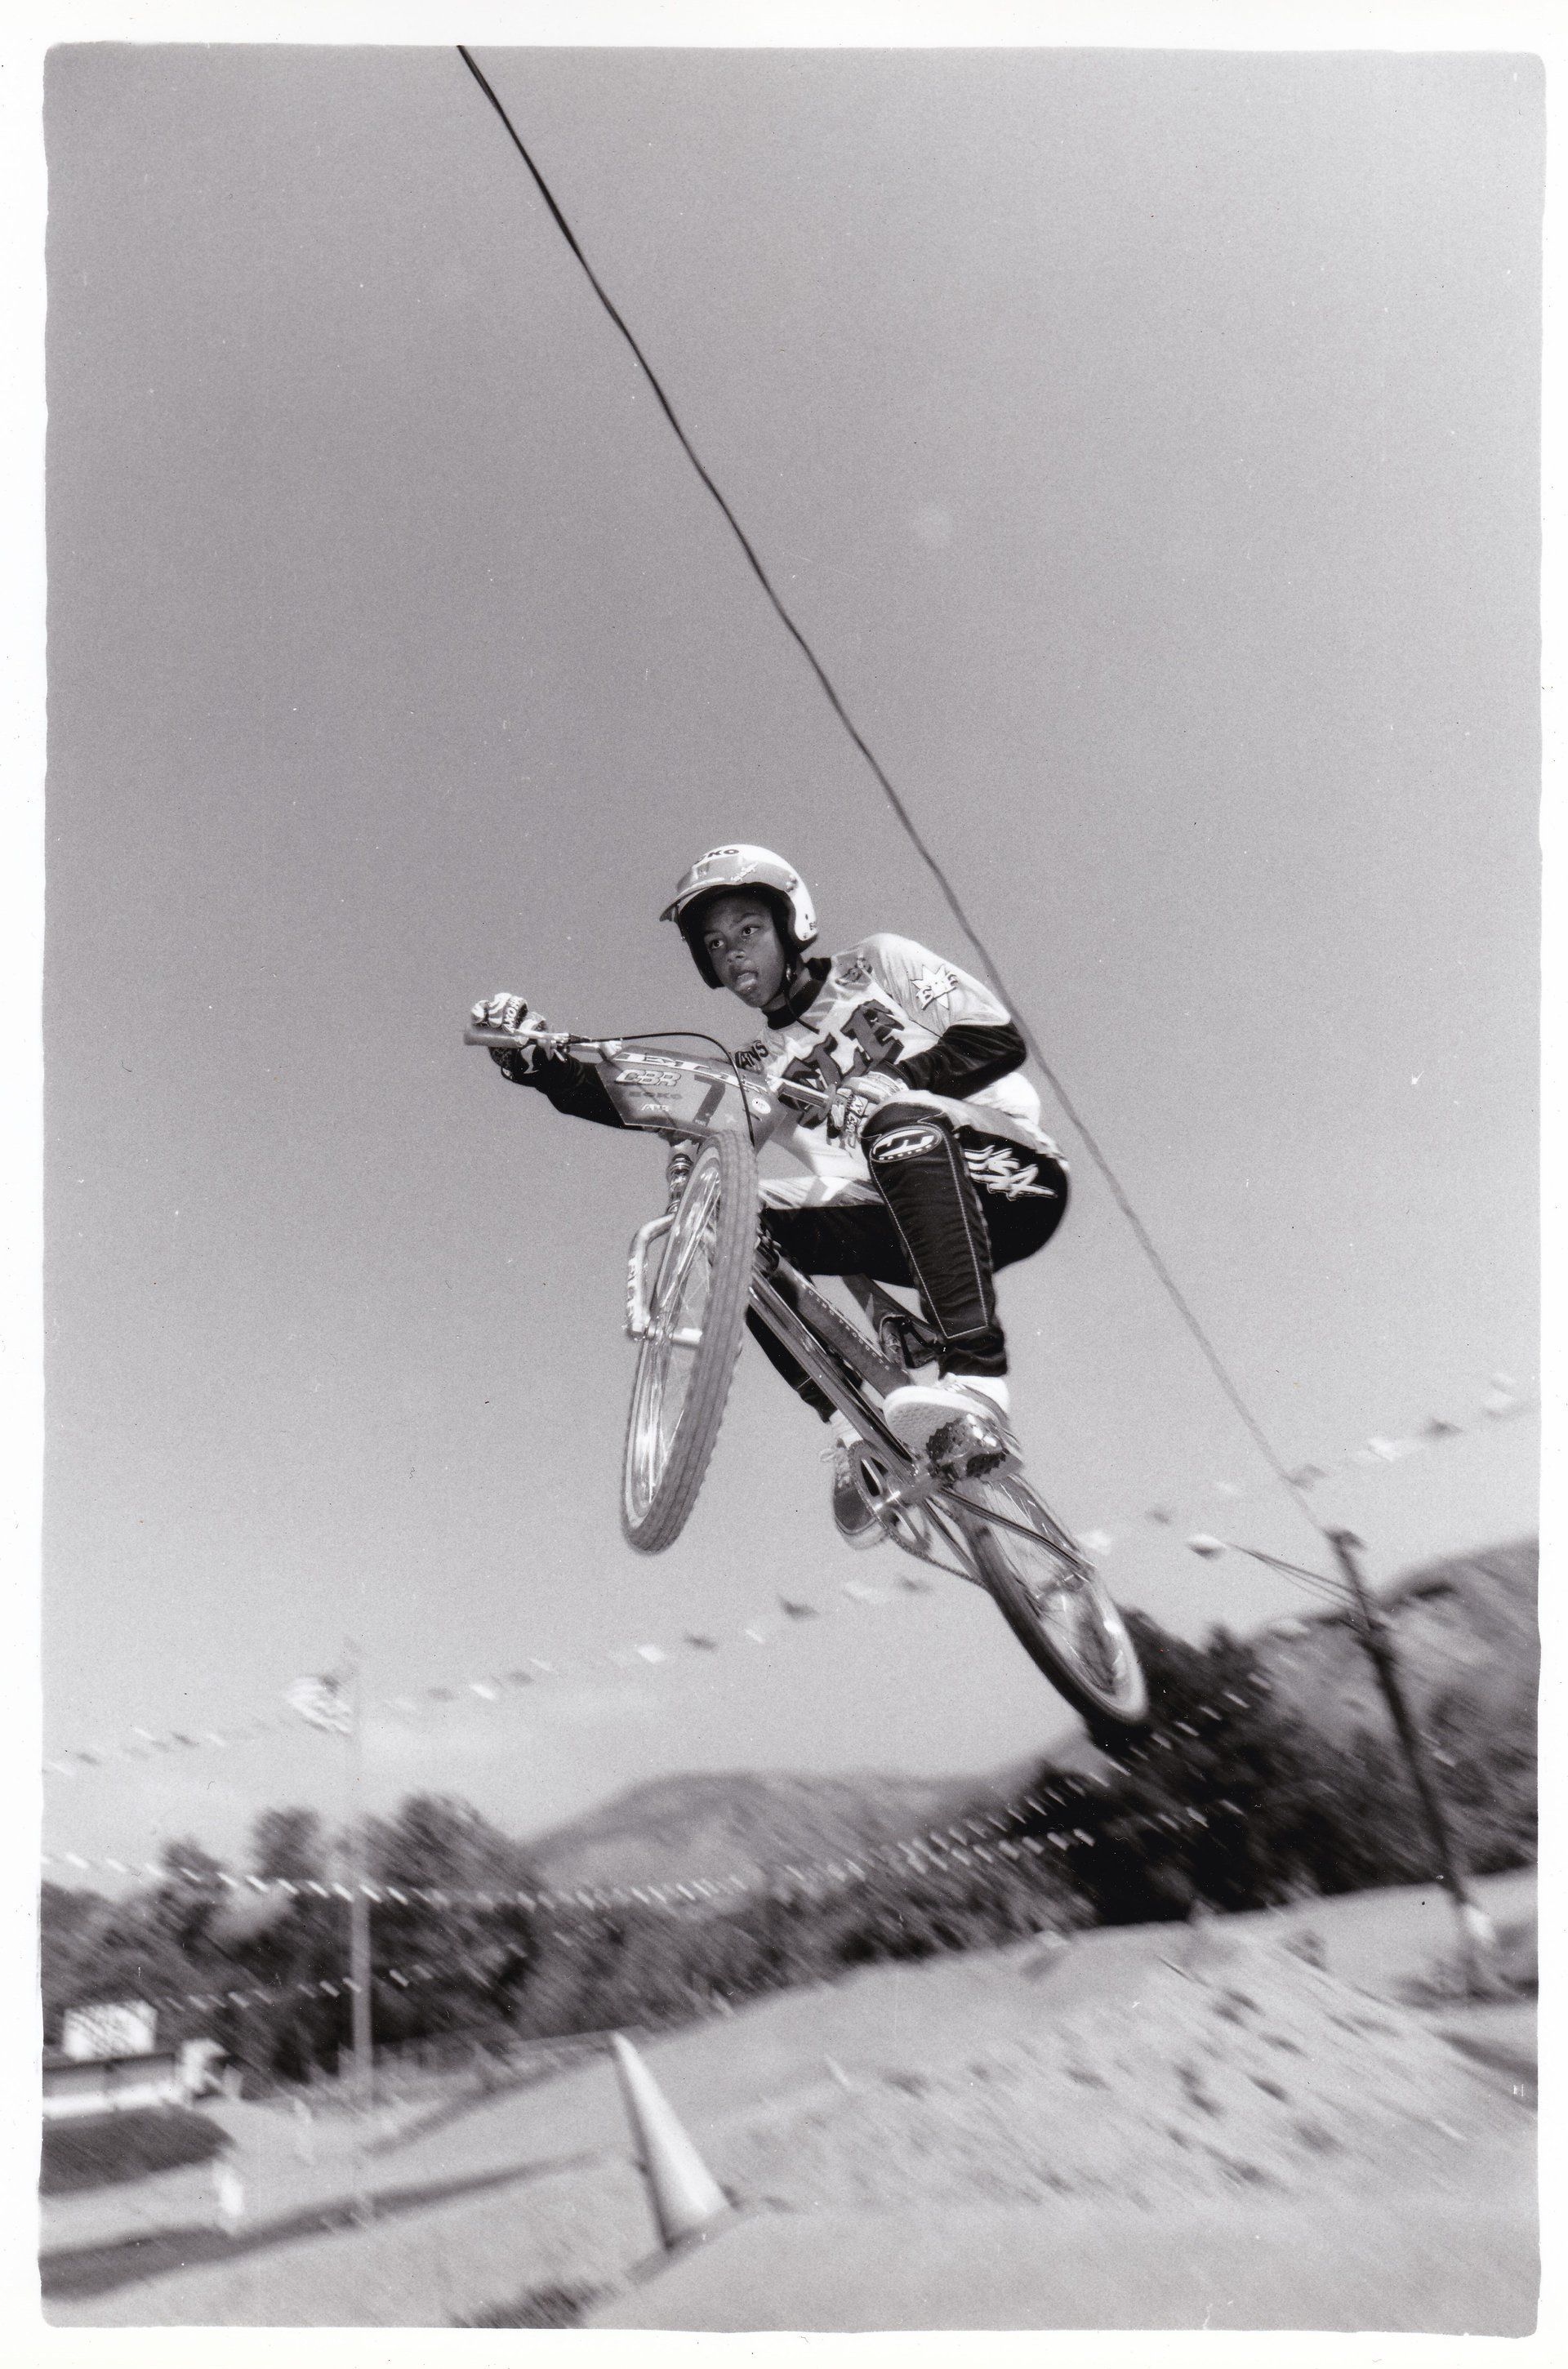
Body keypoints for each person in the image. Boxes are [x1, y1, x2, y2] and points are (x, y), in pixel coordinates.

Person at [472, 844, 1068, 1547]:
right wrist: (541, 1064)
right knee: (725, 1217)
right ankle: (853, 1434)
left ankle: (978, 1386)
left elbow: (995, 1037)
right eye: (715, 945)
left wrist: (899, 1080)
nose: (733, 955)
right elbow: (653, 1097)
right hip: (903, 1224)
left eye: (748, 930)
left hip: (1006, 1176)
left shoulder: (879, 963)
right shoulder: (758, 1069)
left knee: (892, 1118)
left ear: (792, 923)